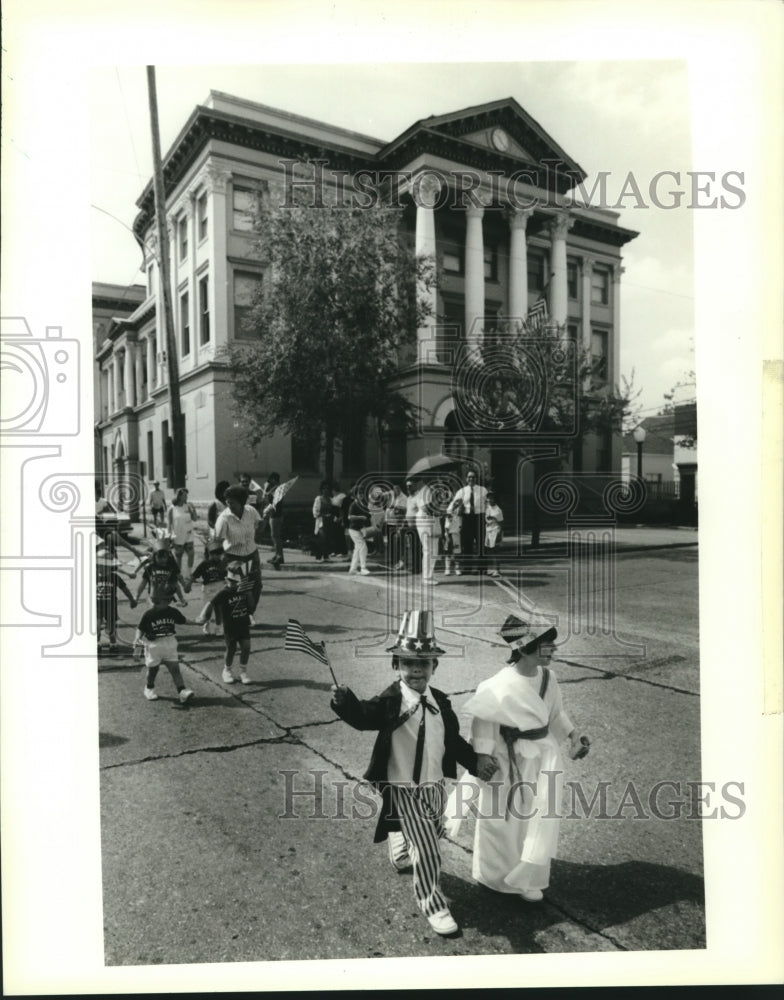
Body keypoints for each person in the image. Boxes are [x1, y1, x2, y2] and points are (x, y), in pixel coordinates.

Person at [330, 611, 497, 937]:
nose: (416, 669)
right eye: (407, 663)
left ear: (435, 666)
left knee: (434, 833)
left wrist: (475, 763)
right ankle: (433, 904)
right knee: (428, 849)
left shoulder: (441, 703)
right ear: (396, 666)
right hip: (403, 788)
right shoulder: (392, 701)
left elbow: (453, 742)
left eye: (424, 662)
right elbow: (364, 716)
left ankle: (398, 839)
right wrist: (344, 701)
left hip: (434, 785)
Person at [451, 615, 590, 902]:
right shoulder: (495, 684)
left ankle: (528, 877)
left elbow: (555, 714)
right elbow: (484, 722)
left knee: (536, 817)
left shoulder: (549, 678)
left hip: (541, 758)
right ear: (526, 647)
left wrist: (574, 735)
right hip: (506, 759)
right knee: (501, 818)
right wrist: (481, 756)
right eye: (546, 643)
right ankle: (494, 876)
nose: (553, 648)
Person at [134, 592, 194, 704]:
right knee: (153, 670)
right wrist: (137, 640)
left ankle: (182, 691)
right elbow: (140, 628)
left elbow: (184, 620)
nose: (169, 602)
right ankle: (149, 688)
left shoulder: (172, 612)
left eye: (169, 600)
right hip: (154, 644)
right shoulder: (149, 614)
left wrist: (197, 622)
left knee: (175, 669)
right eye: (166, 600)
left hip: (170, 642)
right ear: (156, 601)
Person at [213, 485, 262, 621]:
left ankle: (249, 614)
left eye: (232, 502)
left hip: (252, 554)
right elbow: (216, 541)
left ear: (242, 502)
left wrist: (267, 515)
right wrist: (218, 562)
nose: (229, 505)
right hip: (234, 557)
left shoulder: (251, 511)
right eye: (227, 502)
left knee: (256, 586)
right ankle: (238, 616)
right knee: (239, 589)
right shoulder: (224, 518)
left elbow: (259, 531)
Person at [207, 561, 254, 685]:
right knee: (231, 649)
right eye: (231, 581)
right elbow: (212, 603)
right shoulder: (225, 592)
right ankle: (227, 670)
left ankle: (243, 671)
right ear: (227, 579)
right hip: (230, 626)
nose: (234, 585)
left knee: (246, 647)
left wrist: (248, 592)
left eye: (237, 582)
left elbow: (251, 606)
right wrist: (205, 617)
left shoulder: (244, 590)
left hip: (243, 623)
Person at [96, 533, 137, 652]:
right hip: (97, 605)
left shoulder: (115, 577)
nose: (101, 568)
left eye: (105, 566)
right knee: (97, 626)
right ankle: (97, 644)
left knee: (110, 627)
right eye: (99, 566)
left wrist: (132, 600)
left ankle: (113, 644)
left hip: (111, 605)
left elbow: (125, 589)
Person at [447, 470, 488, 574]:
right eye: (469, 477)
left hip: (479, 518)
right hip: (467, 518)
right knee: (467, 544)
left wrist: (488, 518)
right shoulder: (462, 491)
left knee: (481, 544)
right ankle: (467, 568)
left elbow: (488, 505)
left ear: (476, 478)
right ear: (466, 479)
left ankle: (482, 569)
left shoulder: (483, 490)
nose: (471, 479)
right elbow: (454, 503)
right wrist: (449, 512)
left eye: (473, 477)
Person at [134, 540, 189, 608]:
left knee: (175, 583)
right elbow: (143, 583)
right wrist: (136, 596)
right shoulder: (151, 568)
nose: (162, 559)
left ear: (168, 557)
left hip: (167, 596)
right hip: (153, 596)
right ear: (155, 557)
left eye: (164, 557)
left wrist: (184, 587)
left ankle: (181, 600)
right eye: (159, 557)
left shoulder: (171, 567)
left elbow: (178, 579)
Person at [192, 540, 228, 634]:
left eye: (220, 555)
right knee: (208, 608)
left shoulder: (222, 564)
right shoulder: (204, 564)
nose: (218, 557)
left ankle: (219, 627)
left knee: (218, 608)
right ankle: (206, 625)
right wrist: (187, 585)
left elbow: (227, 575)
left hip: (220, 587)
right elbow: (195, 575)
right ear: (210, 554)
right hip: (208, 588)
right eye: (216, 554)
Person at [413, 478, 442, 584]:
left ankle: (429, 575)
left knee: (433, 550)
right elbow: (425, 508)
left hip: (431, 522)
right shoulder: (425, 491)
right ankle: (426, 577)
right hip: (425, 522)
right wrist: (439, 510)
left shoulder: (431, 490)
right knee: (428, 550)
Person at [167, 487, 197, 578]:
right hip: (178, 535)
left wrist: (193, 510)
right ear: (179, 496)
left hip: (189, 534)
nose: (186, 497)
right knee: (178, 556)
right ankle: (178, 574)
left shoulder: (188, 506)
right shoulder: (172, 508)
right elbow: (169, 523)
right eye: (184, 495)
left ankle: (189, 573)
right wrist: (169, 536)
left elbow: (194, 519)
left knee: (191, 554)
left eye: (186, 495)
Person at [260, 472, 286, 569]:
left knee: (275, 535)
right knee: (274, 535)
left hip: (276, 515)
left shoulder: (278, 489)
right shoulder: (276, 488)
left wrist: (266, 490)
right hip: (274, 514)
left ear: (273, 479)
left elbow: (272, 501)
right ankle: (277, 554)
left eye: (271, 480)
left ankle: (279, 556)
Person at [346, 484, 372, 576]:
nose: (361, 494)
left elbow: (368, 515)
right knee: (363, 546)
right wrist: (361, 517)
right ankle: (363, 568)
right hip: (353, 529)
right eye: (359, 493)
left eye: (362, 492)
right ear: (355, 495)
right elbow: (350, 517)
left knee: (357, 549)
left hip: (358, 529)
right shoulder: (354, 504)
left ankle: (353, 569)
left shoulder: (362, 504)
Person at [401, 477, 422, 574]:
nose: (408, 488)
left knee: (418, 547)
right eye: (407, 487)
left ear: (414, 486)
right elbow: (408, 512)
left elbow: (420, 511)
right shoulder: (409, 498)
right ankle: (415, 566)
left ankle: (418, 568)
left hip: (417, 526)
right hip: (410, 526)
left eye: (410, 486)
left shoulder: (418, 497)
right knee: (413, 547)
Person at [383, 484, 407, 570]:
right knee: (390, 542)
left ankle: (399, 561)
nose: (395, 491)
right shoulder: (392, 496)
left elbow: (404, 510)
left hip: (397, 523)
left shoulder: (404, 498)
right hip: (390, 522)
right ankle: (393, 560)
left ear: (400, 489)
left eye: (397, 489)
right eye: (394, 489)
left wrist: (396, 507)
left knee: (397, 543)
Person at [312, 481, 334, 562]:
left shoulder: (331, 500)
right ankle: (318, 556)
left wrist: (331, 515)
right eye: (324, 488)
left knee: (328, 538)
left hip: (329, 521)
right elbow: (315, 511)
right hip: (321, 521)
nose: (326, 490)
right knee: (322, 538)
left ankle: (326, 556)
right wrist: (321, 515)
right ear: (321, 490)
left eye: (327, 488)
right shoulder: (319, 499)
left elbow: (333, 510)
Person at [484, 491, 504, 577]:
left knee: (496, 551)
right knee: (490, 551)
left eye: (491, 498)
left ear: (495, 499)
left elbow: (501, 523)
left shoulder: (498, 510)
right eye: (488, 498)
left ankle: (497, 570)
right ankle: (493, 569)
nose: (490, 499)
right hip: (488, 531)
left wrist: (499, 534)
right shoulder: (487, 508)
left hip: (496, 531)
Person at [442, 497, 462, 577]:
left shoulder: (460, 516)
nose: (457, 505)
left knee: (457, 552)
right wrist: (447, 536)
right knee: (448, 552)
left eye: (459, 504)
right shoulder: (449, 515)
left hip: (457, 535)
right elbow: (446, 527)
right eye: (455, 503)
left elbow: (460, 526)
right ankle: (447, 569)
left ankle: (457, 569)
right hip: (449, 534)